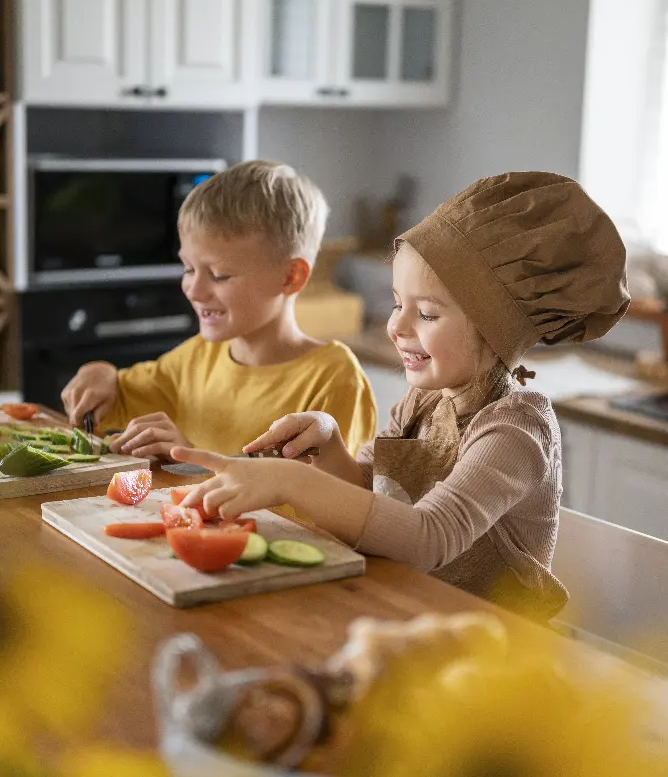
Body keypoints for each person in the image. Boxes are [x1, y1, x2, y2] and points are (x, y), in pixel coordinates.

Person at [171, 172, 630, 621]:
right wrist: (329, 444)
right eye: (397, 303)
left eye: (426, 313)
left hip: (497, 656)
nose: (396, 326)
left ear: (497, 331)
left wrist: (289, 482)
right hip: (411, 619)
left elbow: (429, 536)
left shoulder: (514, 429)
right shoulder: (421, 404)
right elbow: (369, 497)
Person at [61, 160, 376, 458]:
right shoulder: (196, 359)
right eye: (188, 269)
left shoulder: (333, 379)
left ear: (290, 277)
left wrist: (195, 462)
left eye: (219, 274)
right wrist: (99, 372)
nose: (194, 290)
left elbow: (332, 505)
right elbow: (115, 394)